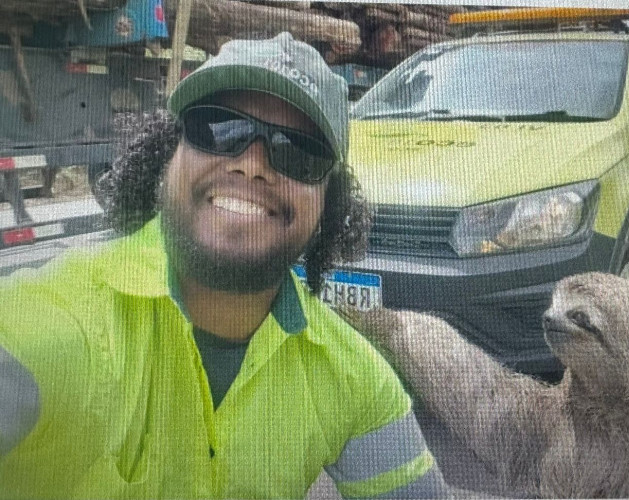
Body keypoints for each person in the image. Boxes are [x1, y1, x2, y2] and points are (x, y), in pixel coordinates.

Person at [0, 33, 448, 498]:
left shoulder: (355, 380)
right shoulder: (55, 324)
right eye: (218, 128)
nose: (252, 164)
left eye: (297, 152)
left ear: (328, 207)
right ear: (166, 156)